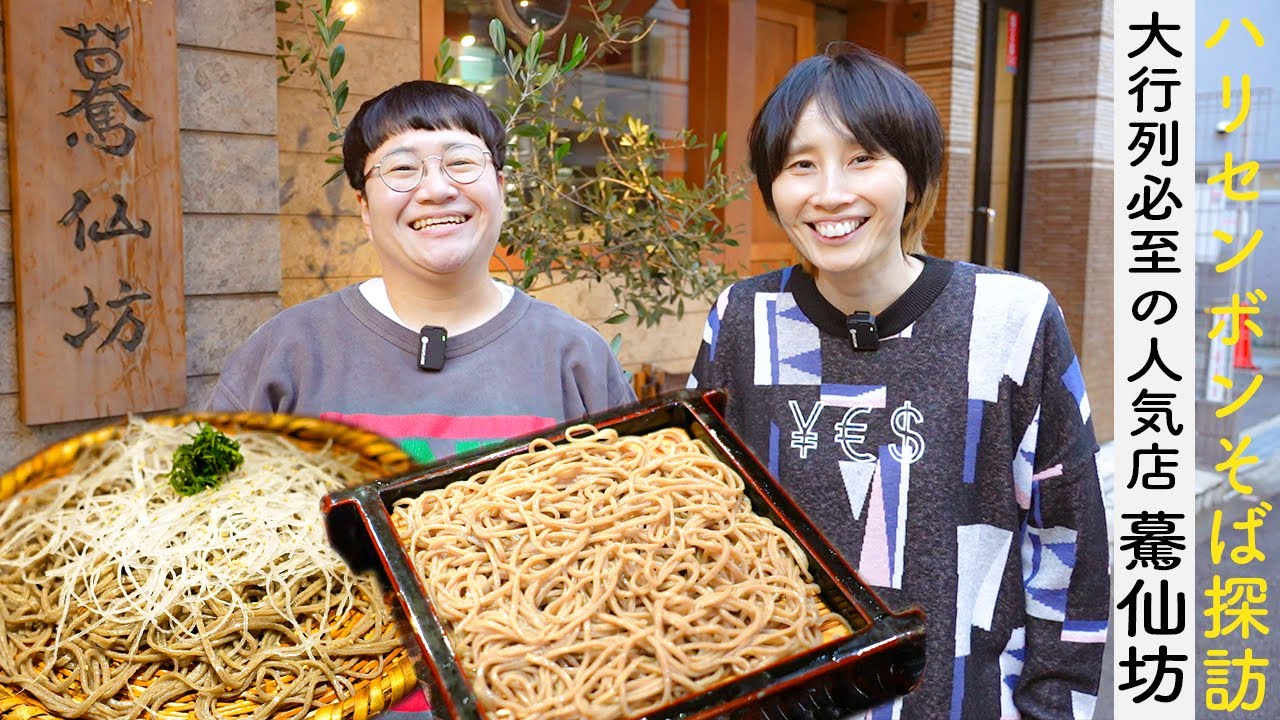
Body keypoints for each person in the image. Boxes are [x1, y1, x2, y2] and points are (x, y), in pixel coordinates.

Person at [688, 45, 1109, 719]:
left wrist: (1052, 708)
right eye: (801, 164)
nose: (830, 192)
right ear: (772, 186)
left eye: (862, 158)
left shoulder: (1010, 318)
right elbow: (700, 519)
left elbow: (1071, 543)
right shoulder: (743, 318)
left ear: (914, 176)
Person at [206, 80, 636, 718]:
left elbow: (637, 552)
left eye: (461, 162)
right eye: (401, 169)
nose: (437, 189)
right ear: (362, 204)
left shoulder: (573, 356)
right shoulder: (287, 355)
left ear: (500, 186)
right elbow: (203, 544)